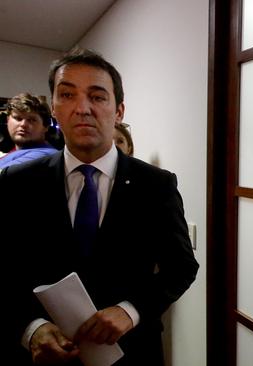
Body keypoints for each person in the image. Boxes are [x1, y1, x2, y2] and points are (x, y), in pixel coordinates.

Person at [0, 47, 199, 365]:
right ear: (54, 107)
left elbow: (181, 268)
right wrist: (31, 329)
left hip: (131, 352)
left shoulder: (156, 184)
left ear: (119, 111)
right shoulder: (17, 180)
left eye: (97, 96)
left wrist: (129, 311)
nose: (82, 108)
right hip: (42, 356)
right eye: (67, 95)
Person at [0, 93, 59, 170]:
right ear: (8, 121)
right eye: (18, 118)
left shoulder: (46, 155)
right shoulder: (14, 152)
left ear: (45, 126)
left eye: (31, 120)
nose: (23, 124)